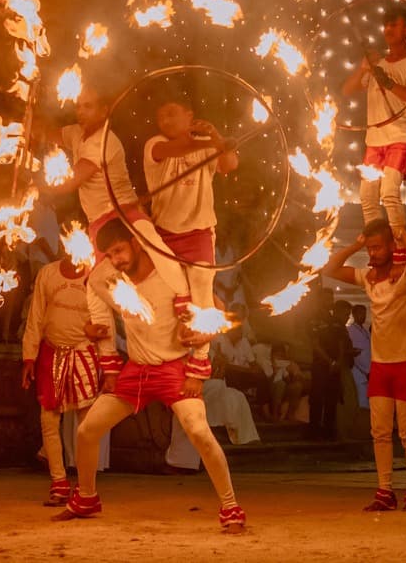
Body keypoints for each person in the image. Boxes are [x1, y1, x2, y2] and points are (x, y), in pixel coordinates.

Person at [59, 216, 248, 533]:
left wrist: (197, 371)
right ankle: (87, 498)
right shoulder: (112, 282)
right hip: (136, 371)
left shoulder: (174, 275)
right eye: (111, 255)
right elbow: (99, 315)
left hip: (174, 370)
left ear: (135, 242)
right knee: (87, 431)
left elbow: (210, 315)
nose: (117, 260)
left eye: (120, 250)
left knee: (199, 432)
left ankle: (230, 507)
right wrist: (94, 335)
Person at [322, 215, 406, 511]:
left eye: (377, 247)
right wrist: (355, 244)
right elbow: (329, 268)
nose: (372, 253)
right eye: (369, 248)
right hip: (380, 365)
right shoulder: (367, 278)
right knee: (380, 432)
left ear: (390, 246)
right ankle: (385, 491)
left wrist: (401, 234)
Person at [22, 249, 101, 506]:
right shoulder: (48, 274)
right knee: (48, 419)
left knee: (87, 424)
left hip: (84, 353)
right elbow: (35, 317)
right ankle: (58, 481)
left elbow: (104, 319)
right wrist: (29, 357)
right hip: (51, 352)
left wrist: (109, 364)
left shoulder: (96, 276)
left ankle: (85, 486)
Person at [342, 6, 406, 236]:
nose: (389, 29)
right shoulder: (377, 64)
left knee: (389, 192)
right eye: (386, 25)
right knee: (367, 197)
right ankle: (378, 250)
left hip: (402, 135)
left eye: (395, 24)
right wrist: (363, 69)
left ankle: (401, 249)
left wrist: (389, 83)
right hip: (375, 138)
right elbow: (347, 90)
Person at [143, 98, 238, 309]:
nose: (165, 121)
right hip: (164, 235)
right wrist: (214, 142)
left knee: (201, 294)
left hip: (199, 234)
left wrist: (216, 137)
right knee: (168, 300)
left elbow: (230, 164)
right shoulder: (155, 144)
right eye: (160, 118)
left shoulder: (207, 144)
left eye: (171, 113)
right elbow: (181, 147)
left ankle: (203, 334)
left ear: (189, 115)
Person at [61, 90, 143, 234]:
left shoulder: (105, 140)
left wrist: (31, 190)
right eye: (78, 107)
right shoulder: (77, 133)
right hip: (100, 223)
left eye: (88, 106)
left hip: (123, 217)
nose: (81, 112)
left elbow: (69, 182)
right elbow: (45, 132)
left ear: (103, 111)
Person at [308, 300, 350, 440]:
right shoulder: (314, 321)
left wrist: (338, 362)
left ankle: (328, 431)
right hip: (320, 366)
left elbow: (341, 345)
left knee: (332, 399)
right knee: (317, 398)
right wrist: (330, 361)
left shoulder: (338, 325)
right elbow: (315, 345)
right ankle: (314, 431)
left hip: (334, 367)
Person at [348, 304, 372, 409]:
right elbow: (356, 353)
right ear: (354, 314)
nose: (363, 316)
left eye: (365, 313)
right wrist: (366, 370)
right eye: (361, 313)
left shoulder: (366, 331)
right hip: (358, 370)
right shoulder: (350, 330)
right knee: (361, 400)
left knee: (368, 400)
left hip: (369, 369)